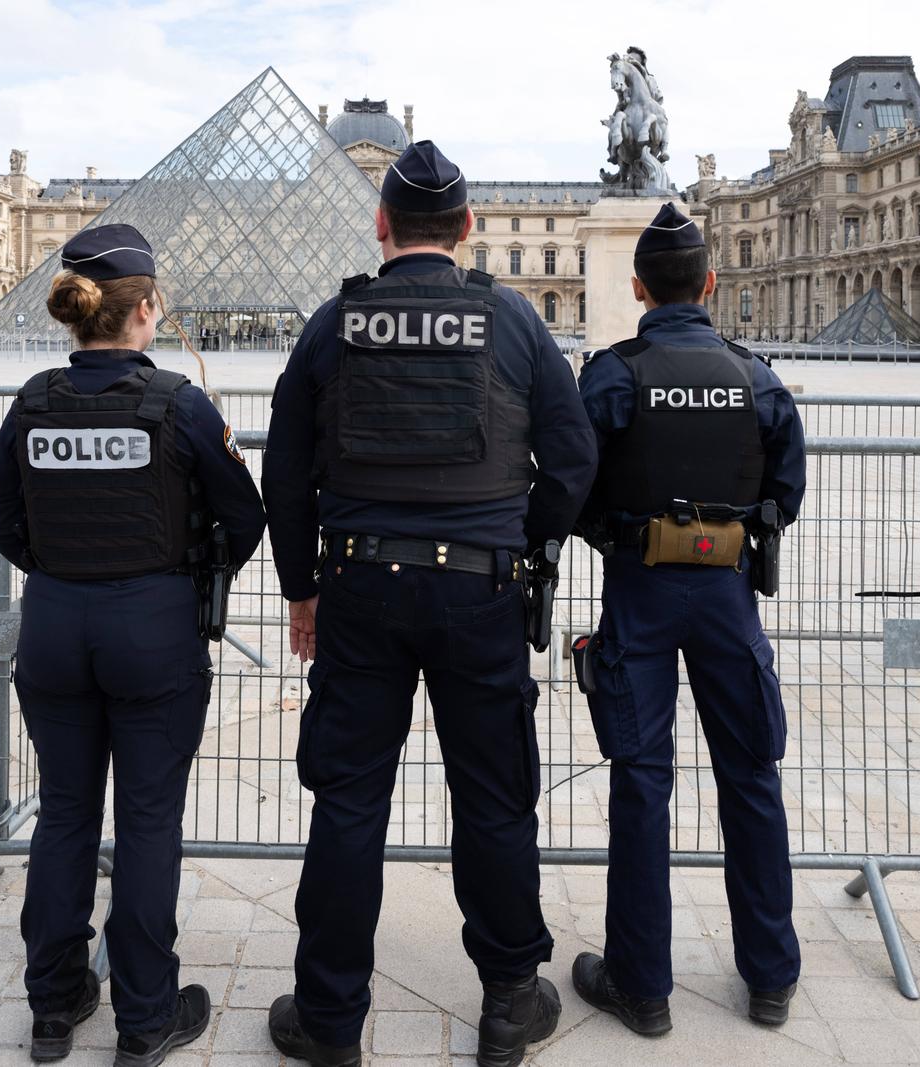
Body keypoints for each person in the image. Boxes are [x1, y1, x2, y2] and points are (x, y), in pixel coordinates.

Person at [261, 141, 599, 1067]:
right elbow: (572, 460)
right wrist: (523, 540)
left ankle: (330, 1019)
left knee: (349, 802)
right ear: (467, 230)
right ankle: (508, 1001)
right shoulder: (516, 325)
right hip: (482, 589)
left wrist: (302, 588)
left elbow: (284, 473)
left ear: (380, 227)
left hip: (361, 586)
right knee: (494, 800)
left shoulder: (335, 323)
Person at [0, 223, 266, 1066]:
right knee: (147, 820)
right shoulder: (178, 403)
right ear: (146, 309)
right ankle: (145, 1016)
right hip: (153, 626)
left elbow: (1, 520)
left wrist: (63, 567)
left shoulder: (33, 401)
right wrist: (179, 567)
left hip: (57, 625)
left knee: (65, 811)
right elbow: (245, 518)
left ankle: (54, 1005)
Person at [571, 202, 806, 1035]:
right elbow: (787, 486)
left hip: (639, 584)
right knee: (751, 775)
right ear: (711, 283)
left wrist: (614, 535)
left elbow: (573, 474)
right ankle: (771, 975)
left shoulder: (613, 372)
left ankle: (641, 984)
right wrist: (744, 533)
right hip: (726, 591)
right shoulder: (755, 372)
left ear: (638, 287)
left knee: (642, 783)